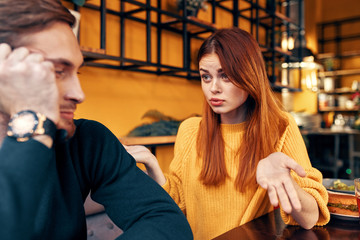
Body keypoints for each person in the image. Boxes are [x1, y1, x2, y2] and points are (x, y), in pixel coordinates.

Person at [0, 0, 193, 239]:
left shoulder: (88, 140)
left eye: (76, 72)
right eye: (58, 72)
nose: (79, 94)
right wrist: (31, 118)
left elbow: (168, 223)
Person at [126, 27, 330, 240]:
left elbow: (310, 218)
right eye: (206, 77)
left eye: (225, 76)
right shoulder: (190, 130)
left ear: (249, 76)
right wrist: (151, 164)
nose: (213, 88)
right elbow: (176, 204)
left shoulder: (279, 127)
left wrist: (286, 180)